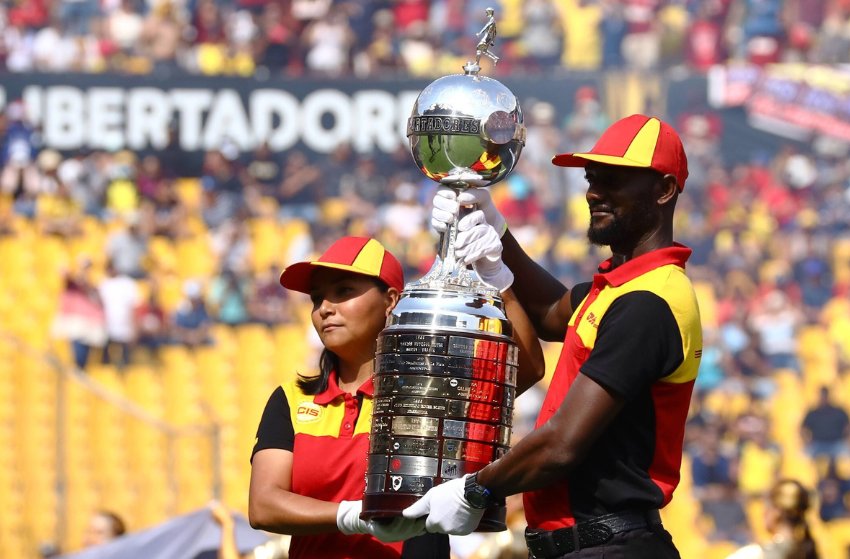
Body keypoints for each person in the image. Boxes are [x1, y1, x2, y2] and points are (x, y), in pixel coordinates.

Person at [408, 114, 703, 558]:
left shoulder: (649, 301)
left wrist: (473, 490)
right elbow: (551, 314)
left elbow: (562, 445)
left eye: (614, 180)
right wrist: (494, 231)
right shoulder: (623, 286)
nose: (593, 192)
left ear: (663, 190)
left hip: (612, 546)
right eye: (591, 178)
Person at [247, 237, 436, 558]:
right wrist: (354, 516)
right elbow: (262, 505)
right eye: (317, 298)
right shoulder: (290, 399)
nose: (324, 309)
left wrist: (498, 272)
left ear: (391, 299)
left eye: (344, 291)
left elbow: (523, 369)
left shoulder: (430, 393)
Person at [724, 479, 820, 559]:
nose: (763, 513)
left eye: (766, 507)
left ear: (776, 511)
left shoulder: (753, 555)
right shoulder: (809, 552)